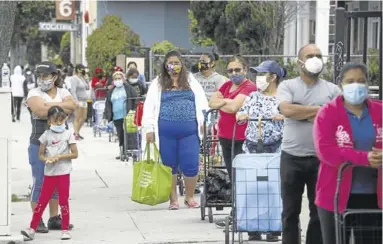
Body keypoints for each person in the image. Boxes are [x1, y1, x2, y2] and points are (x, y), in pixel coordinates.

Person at [276, 44, 342, 244]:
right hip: (291, 158)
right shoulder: (287, 86)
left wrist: (302, 111)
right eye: (310, 55)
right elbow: (286, 110)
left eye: (318, 55)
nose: (315, 59)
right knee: (289, 212)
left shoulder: (332, 89)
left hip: (321, 160)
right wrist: (321, 110)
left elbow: (338, 116)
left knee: (319, 213)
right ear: (300, 63)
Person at [313, 63, 382, 244]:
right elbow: (326, 151)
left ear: (368, 83)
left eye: (361, 81)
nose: (356, 85)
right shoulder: (327, 113)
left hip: (373, 195)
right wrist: (364, 158)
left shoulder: (380, 111)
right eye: (350, 81)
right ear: (340, 84)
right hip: (334, 194)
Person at [142, 50, 208, 210]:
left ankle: (189, 197)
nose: (174, 66)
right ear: (165, 65)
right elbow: (149, 107)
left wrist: (205, 122)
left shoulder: (191, 81)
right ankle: (173, 199)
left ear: (182, 64)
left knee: (191, 164)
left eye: (177, 62)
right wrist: (149, 128)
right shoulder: (158, 83)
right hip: (165, 132)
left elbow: (202, 102)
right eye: (170, 63)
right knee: (169, 165)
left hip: (189, 131)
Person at [236, 60, 285, 241]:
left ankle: (274, 227)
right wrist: (242, 116)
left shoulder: (283, 97)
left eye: (262, 74)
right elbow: (241, 112)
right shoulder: (253, 96)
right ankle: (252, 227)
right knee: (252, 187)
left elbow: (291, 115)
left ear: (273, 77)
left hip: (276, 147)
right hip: (252, 145)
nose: (259, 78)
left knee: (273, 188)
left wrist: (282, 115)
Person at [25, 61, 76, 233]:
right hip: (39, 144)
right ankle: (37, 219)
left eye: (45, 76)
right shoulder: (34, 92)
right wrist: (60, 107)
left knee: (56, 182)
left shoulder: (63, 91)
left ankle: (54, 218)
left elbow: (72, 105)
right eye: (39, 76)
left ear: (54, 77)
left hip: (61, 147)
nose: (41, 79)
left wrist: (50, 106)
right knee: (40, 182)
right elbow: (39, 110)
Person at [208, 55, 257, 228]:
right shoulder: (226, 85)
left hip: (242, 138)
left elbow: (235, 107)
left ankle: (243, 215)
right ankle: (236, 213)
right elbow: (212, 102)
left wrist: (223, 103)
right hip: (225, 136)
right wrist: (225, 103)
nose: (234, 73)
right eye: (230, 70)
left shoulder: (249, 87)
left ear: (245, 70)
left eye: (237, 70)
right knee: (233, 177)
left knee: (242, 178)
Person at [21, 106, 78, 241]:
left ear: (65, 119)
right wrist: (47, 159)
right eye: (55, 121)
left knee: (63, 201)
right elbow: (41, 155)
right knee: (42, 201)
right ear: (49, 121)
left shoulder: (69, 134)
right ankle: (32, 229)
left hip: (63, 173)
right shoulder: (45, 136)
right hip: (49, 174)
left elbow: (75, 154)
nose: (58, 124)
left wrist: (60, 157)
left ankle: (65, 230)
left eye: (61, 121)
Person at [104, 71, 138, 160]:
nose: (117, 80)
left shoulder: (129, 88)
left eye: (119, 78)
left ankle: (130, 151)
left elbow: (135, 99)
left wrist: (134, 111)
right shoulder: (111, 91)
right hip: (116, 116)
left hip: (128, 116)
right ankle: (122, 151)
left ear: (123, 79)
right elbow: (108, 103)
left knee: (129, 133)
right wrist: (106, 115)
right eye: (115, 79)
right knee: (120, 134)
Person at [70, 64, 89, 140]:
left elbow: (87, 87)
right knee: (77, 118)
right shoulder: (74, 78)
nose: (83, 70)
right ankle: (76, 134)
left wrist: (86, 79)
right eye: (82, 69)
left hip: (84, 101)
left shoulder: (82, 78)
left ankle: (76, 132)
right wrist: (76, 101)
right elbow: (73, 90)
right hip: (79, 100)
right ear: (78, 69)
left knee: (84, 118)